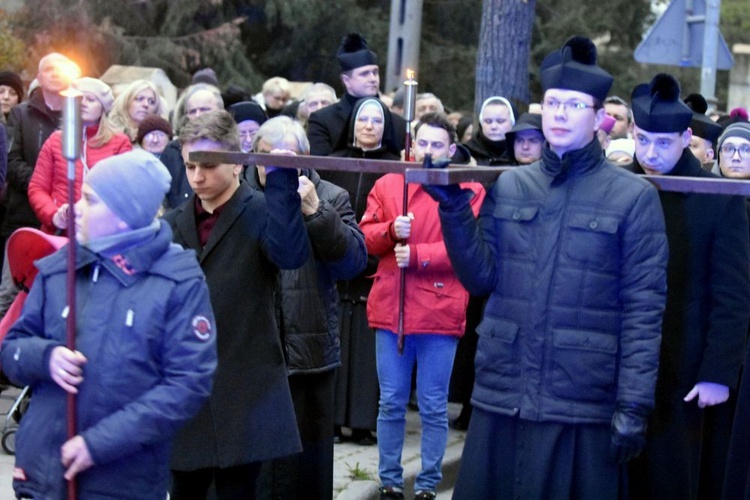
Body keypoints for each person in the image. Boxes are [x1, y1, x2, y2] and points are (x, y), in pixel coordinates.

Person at [422, 36, 669, 499]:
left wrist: (634, 404)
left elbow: (644, 310)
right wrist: (454, 213)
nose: (558, 114)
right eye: (552, 102)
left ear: (599, 119)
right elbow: (480, 279)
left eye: (573, 105)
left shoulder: (635, 198)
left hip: (580, 401)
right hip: (503, 392)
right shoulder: (512, 185)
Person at [0, 149, 217, 499]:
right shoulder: (59, 268)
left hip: (121, 480)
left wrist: (98, 444)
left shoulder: (178, 282)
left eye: (91, 200)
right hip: (43, 472)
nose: (77, 210)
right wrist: (45, 357)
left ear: (124, 213)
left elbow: (186, 385)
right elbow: (11, 349)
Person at [164, 110, 310, 500]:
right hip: (186, 384)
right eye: (190, 165)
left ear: (237, 159)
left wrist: (282, 184)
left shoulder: (261, 211)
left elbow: (290, 255)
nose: (197, 177)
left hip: (245, 385)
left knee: (238, 492)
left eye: (209, 166)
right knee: (184, 490)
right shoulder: (175, 222)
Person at [625, 73, 750, 500]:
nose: (650, 153)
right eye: (642, 141)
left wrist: (718, 372)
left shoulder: (717, 195)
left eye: (663, 143)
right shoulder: (621, 186)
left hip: (684, 366)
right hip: (619, 362)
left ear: (685, 137)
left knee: (669, 478)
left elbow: (732, 295)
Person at [360, 112, 485, 500]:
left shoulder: (467, 189)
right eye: (423, 144)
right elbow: (365, 236)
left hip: (438, 310)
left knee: (433, 405)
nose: (428, 152)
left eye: (437, 145)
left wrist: (417, 253)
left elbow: (466, 249)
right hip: (391, 308)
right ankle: (390, 481)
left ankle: (428, 483)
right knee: (391, 402)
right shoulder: (389, 183)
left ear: (451, 150)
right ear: (411, 146)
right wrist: (389, 231)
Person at [245, 116, 366, 499]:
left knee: (304, 472)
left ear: (306, 158)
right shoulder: (240, 198)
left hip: (309, 353)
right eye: (267, 158)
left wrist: (316, 214)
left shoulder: (330, 196)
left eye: (289, 158)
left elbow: (352, 263)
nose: (276, 168)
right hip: (252, 353)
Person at [326, 97, 399, 446]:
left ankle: (362, 422)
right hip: (338, 265)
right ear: (353, 123)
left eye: (377, 120)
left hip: (376, 267)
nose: (369, 125)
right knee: (336, 341)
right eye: (363, 119)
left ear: (386, 127)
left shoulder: (395, 167)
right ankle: (333, 420)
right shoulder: (333, 163)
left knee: (368, 353)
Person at [0, 53, 76, 317]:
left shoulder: (76, 112)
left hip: (65, 223)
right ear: (39, 77)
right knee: (11, 291)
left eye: (60, 69)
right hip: (23, 215)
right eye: (48, 68)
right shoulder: (21, 114)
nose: (55, 73)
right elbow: (11, 158)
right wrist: (42, 187)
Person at [28, 77, 132, 235]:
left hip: (99, 234)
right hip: (58, 234)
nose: (83, 103)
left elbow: (124, 191)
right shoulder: (56, 140)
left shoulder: (119, 143)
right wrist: (54, 215)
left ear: (103, 108)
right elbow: (37, 187)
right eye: (79, 98)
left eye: (90, 100)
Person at [307, 32, 406, 156]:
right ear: (347, 81)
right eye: (364, 74)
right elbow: (319, 168)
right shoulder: (323, 120)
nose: (373, 78)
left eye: (375, 72)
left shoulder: (398, 124)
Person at [160, 83, 224, 208]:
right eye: (192, 111)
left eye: (204, 109)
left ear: (221, 112)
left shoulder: (230, 149)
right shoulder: (172, 151)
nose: (198, 115)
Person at [107, 79, 167, 143]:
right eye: (140, 99)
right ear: (127, 101)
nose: (146, 104)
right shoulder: (109, 132)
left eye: (151, 101)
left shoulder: (160, 137)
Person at [464, 96, 515, 165]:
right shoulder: (466, 153)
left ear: (512, 123)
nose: (493, 127)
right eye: (488, 121)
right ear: (481, 123)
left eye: (500, 121)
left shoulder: (522, 153)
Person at [683, 93, 724, 170]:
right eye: (678, 143)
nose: (681, 150)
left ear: (708, 156)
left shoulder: (714, 182)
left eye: (690, 145)